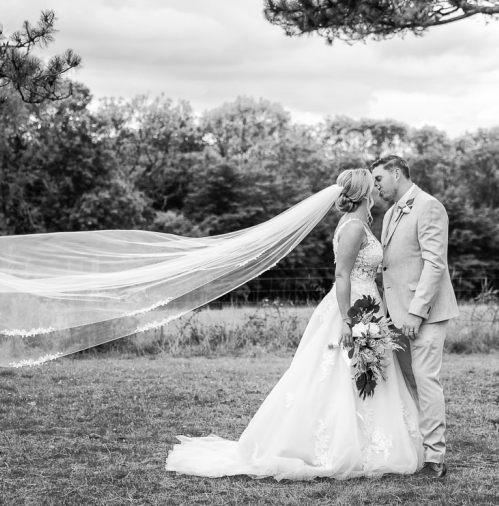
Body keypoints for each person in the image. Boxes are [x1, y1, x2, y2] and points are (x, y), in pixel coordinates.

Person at [165, 169, 424, 480]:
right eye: (373, 186)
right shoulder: (354, 227)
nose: (377, 190)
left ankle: (365, 439)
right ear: (364, 192)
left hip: (369, 305)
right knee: (343, 373)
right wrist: (347, 320)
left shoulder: (358, 224)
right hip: (353, 307)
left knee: (362, 372)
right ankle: (341, 445)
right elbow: (342, 276)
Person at [370, 155, 459, 479]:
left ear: (397, 173)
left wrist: (415, 312)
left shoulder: (429, 206)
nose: (376, 186)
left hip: (426, 313)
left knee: (425, 379)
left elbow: (435, 264)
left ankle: (436, 459)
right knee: (409, 382)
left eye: (379, 179)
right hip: (395, 313)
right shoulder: (391, 212)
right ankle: (419, 450)